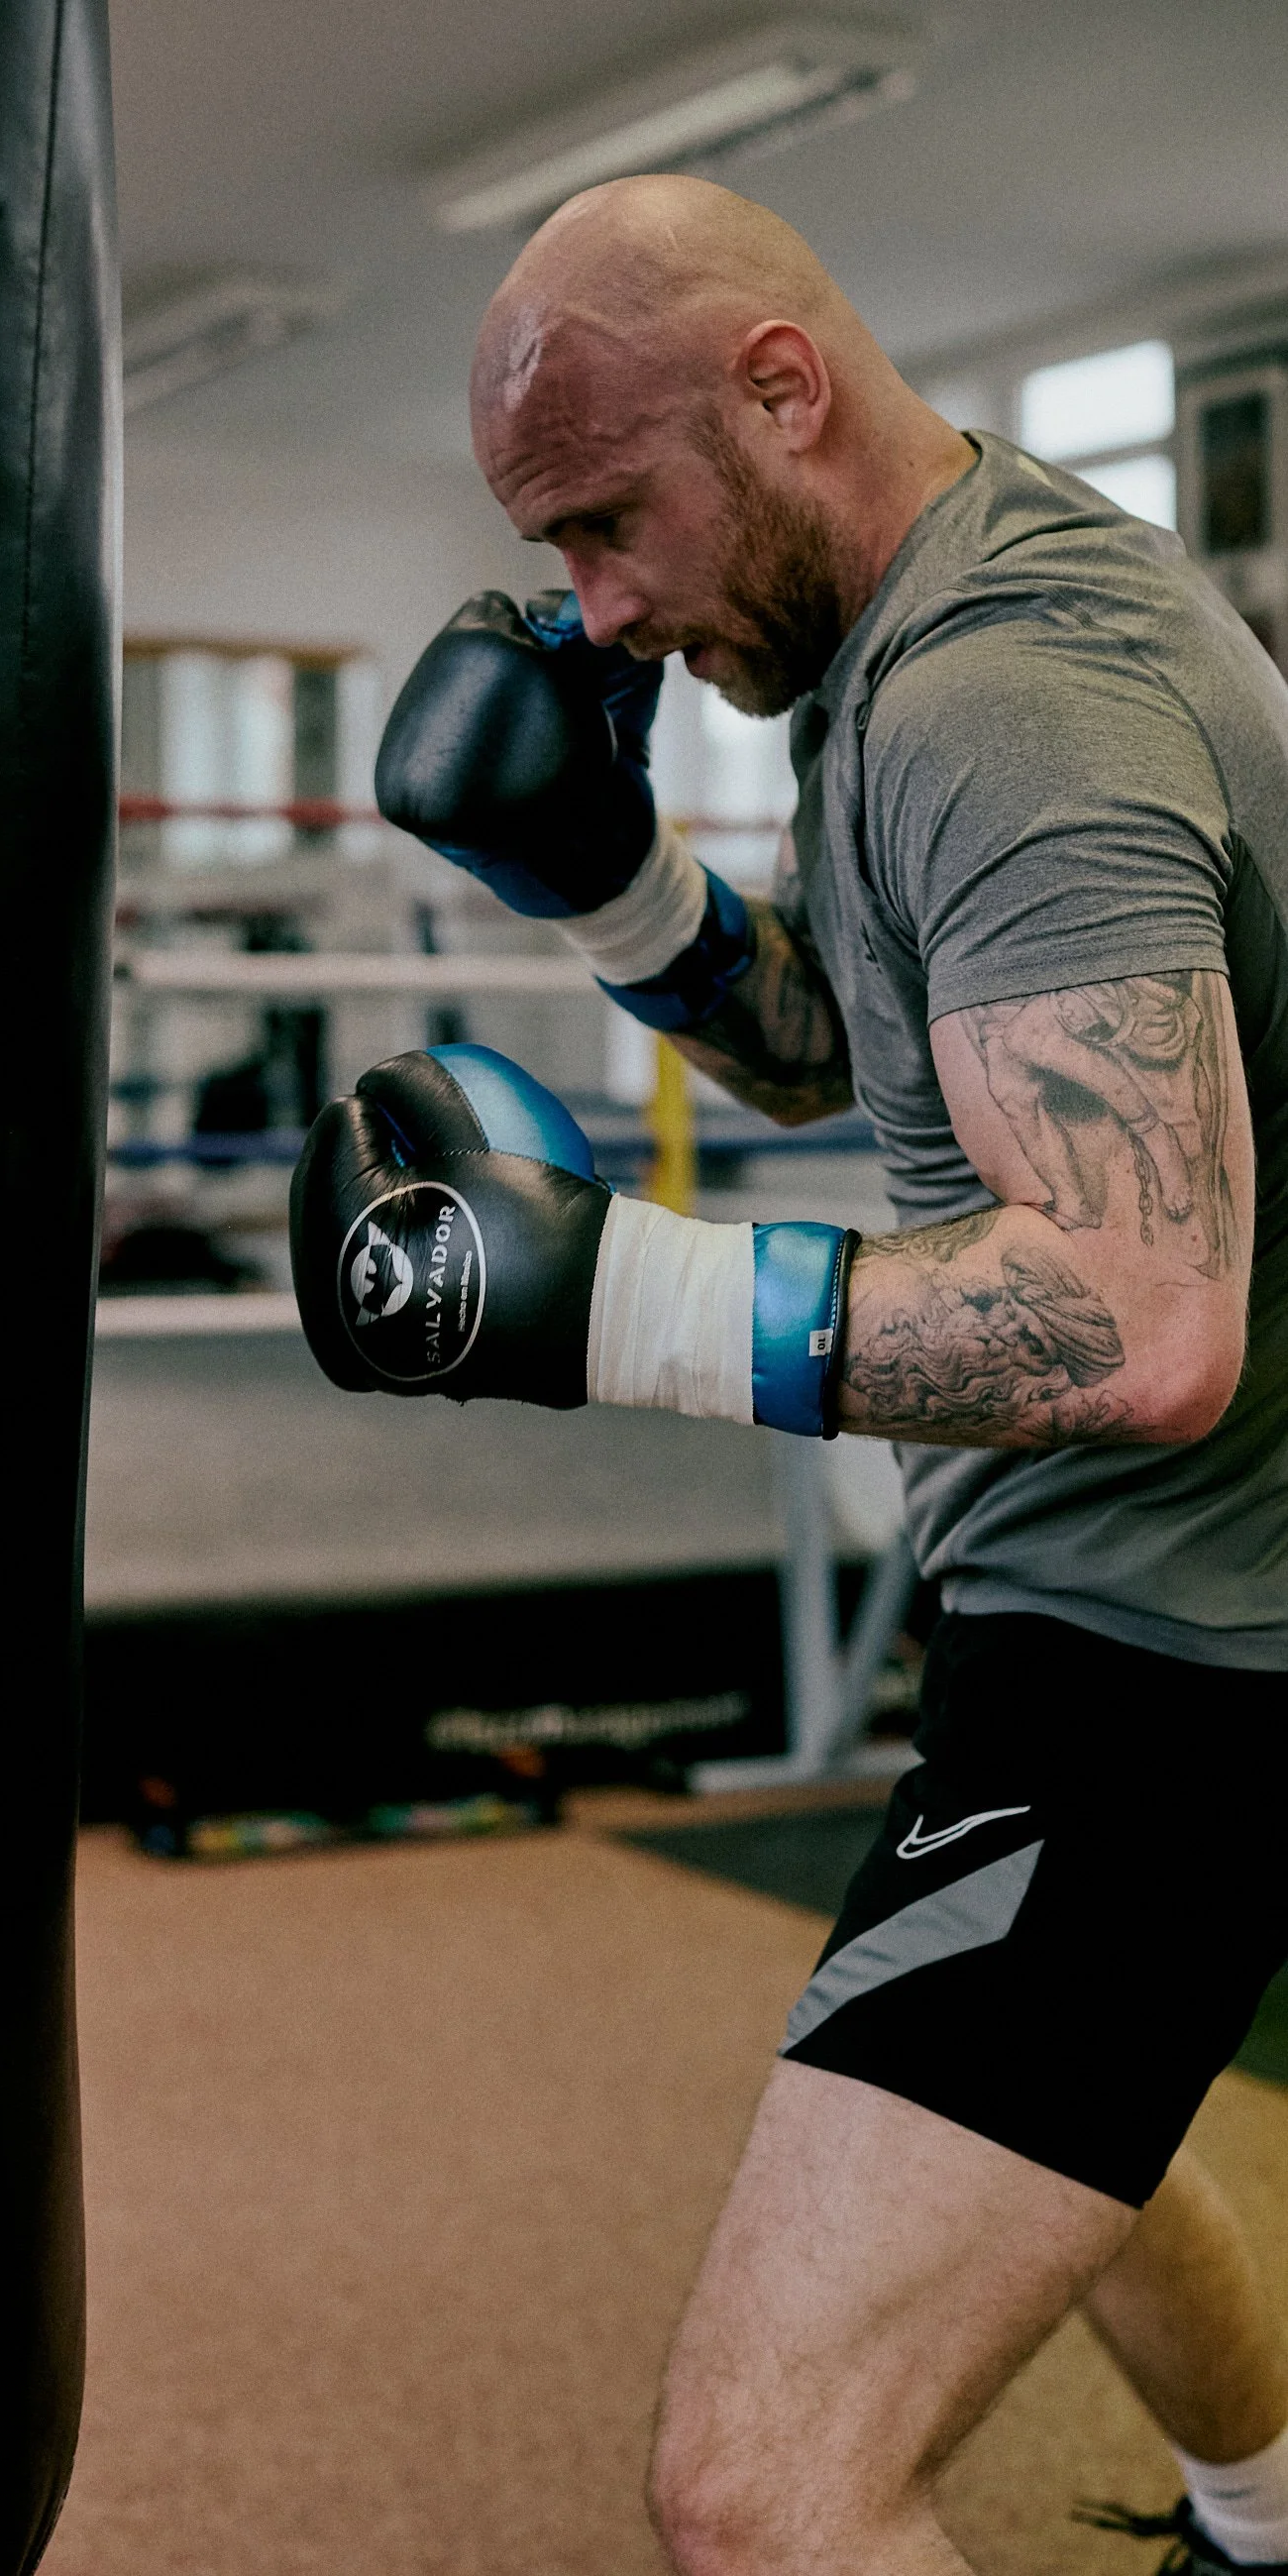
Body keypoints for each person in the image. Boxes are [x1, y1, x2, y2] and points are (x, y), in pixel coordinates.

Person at [289, 175, 1288, 2574]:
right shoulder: (916, 642)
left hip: (1170, 1643)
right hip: (1156, 1584)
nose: (598, 604)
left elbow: (1139, 1319)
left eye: (611, 522)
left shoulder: (998, 699)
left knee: (761, 2491)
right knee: (1090, 2138)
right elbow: (878, 1053)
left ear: (777, 384)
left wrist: (603, 1304)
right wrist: (610, 882)